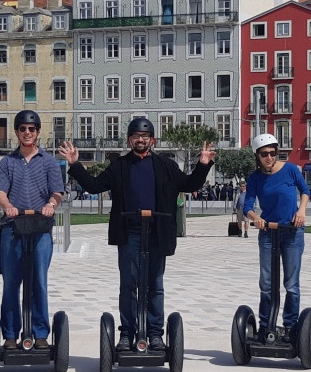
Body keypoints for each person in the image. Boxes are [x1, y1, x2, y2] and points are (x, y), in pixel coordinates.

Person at [60, 118, 215, 351]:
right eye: (136, 137)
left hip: (156, 232)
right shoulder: (120, 165)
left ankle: (154, 334)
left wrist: (203, 164)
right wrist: (75, 164)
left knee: (155, 285)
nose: (140, 140)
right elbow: (93, 185)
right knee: (128, 285)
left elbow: (190, 183)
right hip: (129, 233)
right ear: (129, 140)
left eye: (145, 136)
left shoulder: (166, 166)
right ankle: (127, 334)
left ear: (152, 140)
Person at [0, 110, 65, 349]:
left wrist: (50, 204)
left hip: (40, 226)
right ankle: (11, 334)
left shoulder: (49, 162)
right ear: (16, 132)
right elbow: (1, 191)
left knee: (39, 281)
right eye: (23, 129)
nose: (27, 133)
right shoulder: (7, 162)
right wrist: (8, 206)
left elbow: (57, 192)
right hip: (12, 226)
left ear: (37, 132)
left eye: (32, 129)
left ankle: (40, 333)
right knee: (11, 282)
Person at [242, 133, 311, 342]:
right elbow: (247, 206)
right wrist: (256, 217)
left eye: (273, 153)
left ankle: (290, 326)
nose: (269, 157)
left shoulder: (290, 170)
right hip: (267, 233)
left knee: (291, 284)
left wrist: (301, 211)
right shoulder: (254, 178)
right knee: (266, 283)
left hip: (292, 232)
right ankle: (266, 325)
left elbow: (305, 191)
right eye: (265, 154)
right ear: (257, 156)